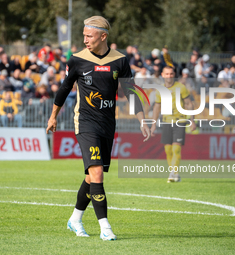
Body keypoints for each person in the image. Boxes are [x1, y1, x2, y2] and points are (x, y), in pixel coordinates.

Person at [46, 16, 150, 241]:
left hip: (107, 124)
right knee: (97, 173)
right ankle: (105, 227)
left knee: (91, 178)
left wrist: (142, 119)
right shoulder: (77, 60)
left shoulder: (120, 61)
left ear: (103, 36)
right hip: (85, 123)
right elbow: (65, 88)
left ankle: (75, 219)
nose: (85, 40)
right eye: (83, 35)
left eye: (89, 36)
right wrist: (53, 116)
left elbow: (130, 92)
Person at [150, 66, 196, 183]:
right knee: (168, 150)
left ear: (174, 74)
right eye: (167, 74)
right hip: (166, 121)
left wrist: (192, 120)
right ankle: (174, 173)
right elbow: (157, 107)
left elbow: (189, 104)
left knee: (176, 149)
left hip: (180, 121)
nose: (169, 76)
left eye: (171, 74)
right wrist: (153, 124)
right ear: (163, 74)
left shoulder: (181, 87)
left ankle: (173, 173)